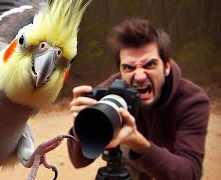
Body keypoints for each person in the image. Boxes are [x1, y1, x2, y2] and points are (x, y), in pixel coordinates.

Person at [67, 18, 210, 180]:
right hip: (129, 156)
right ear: (120, 71)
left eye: (150, 65)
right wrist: (82, 124)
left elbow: (190, 174)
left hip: (172, 158)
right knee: (125, 153)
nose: (140, 76)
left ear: (167, 67)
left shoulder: (192, 100)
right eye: (129, 67)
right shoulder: (109, 92)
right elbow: (78, 161)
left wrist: (140, 144)